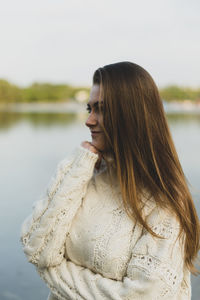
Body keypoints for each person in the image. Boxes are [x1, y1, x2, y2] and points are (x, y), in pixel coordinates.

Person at [21, 62, 200, 300]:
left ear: (133, 115)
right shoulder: (84, 174)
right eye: (90, 108)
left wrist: (53, 272)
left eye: (102, 109)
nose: (89, 120)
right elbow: (36, 248)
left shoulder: (165, 201)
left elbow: (145, 297)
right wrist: (77, 166)